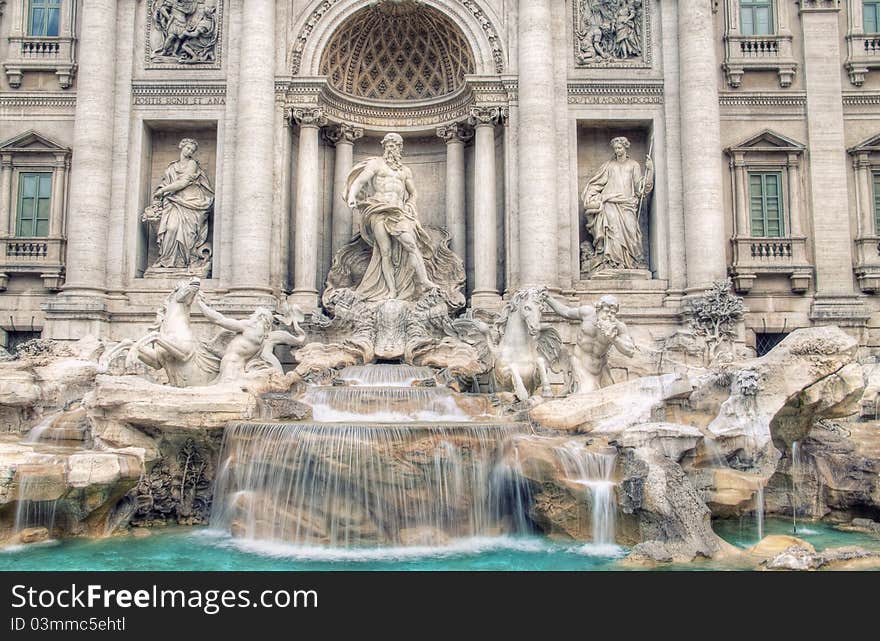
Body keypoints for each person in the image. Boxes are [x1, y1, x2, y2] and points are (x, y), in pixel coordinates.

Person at [345, 133, 438, 301]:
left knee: (410, 243)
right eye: (387, 145)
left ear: (399, 148)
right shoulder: (376, 164)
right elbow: (360, 180)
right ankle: (391, 290)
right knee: (384, 251)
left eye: (394, 145)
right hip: (378, 209)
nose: (390, 148)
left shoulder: (405, 171)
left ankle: (424, 280)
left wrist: (411, 203)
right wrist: (352, 196)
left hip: (398, 212)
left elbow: (413, 193)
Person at [582, 136, 653, 273]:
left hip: (627, 204)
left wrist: (650, 171)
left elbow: (640, 188)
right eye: (615, 148)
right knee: (612, 232)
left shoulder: (634, 165)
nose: (617, 150)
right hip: (610, 203)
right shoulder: (609, 166)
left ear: (625, 147)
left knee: (632, 231)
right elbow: (596, 184)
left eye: (619, 147)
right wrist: (594, 196)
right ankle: (612, 263)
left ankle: (633, 261)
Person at [542, 292, 635, 393]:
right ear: (598, 309)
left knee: (611, 396)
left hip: (601, 368)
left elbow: (630, 351)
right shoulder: (587, 313)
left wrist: (614, 339)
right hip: (581, 365)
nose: (609, 315)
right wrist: (548, 298)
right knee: (586, 395)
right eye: (606, 311)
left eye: (613, 313)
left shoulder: (619, 327)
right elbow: (566, 312)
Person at [147, 138, 214, 269]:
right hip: (173, 202)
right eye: (187, 148)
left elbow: (183, 183)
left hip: (190, 201)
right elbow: (166, 182)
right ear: (181, 146)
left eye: (192, 150)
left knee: (186, 234)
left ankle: (183, 262)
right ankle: (166, 260)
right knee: (171, 228)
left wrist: (163, 191)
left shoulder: (192, 164)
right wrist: (161, 193)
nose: (189, 151)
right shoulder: (172, 167)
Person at [196, 294, 273, 382]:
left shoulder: (251, 326)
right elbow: (239, 351)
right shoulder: (262, 340)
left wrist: (201, 305)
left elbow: (219, 320)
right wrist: (213, 350)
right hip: (236, 365)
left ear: (260, 317)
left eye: (254, 314)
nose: (251, 316)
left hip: (231, 365)